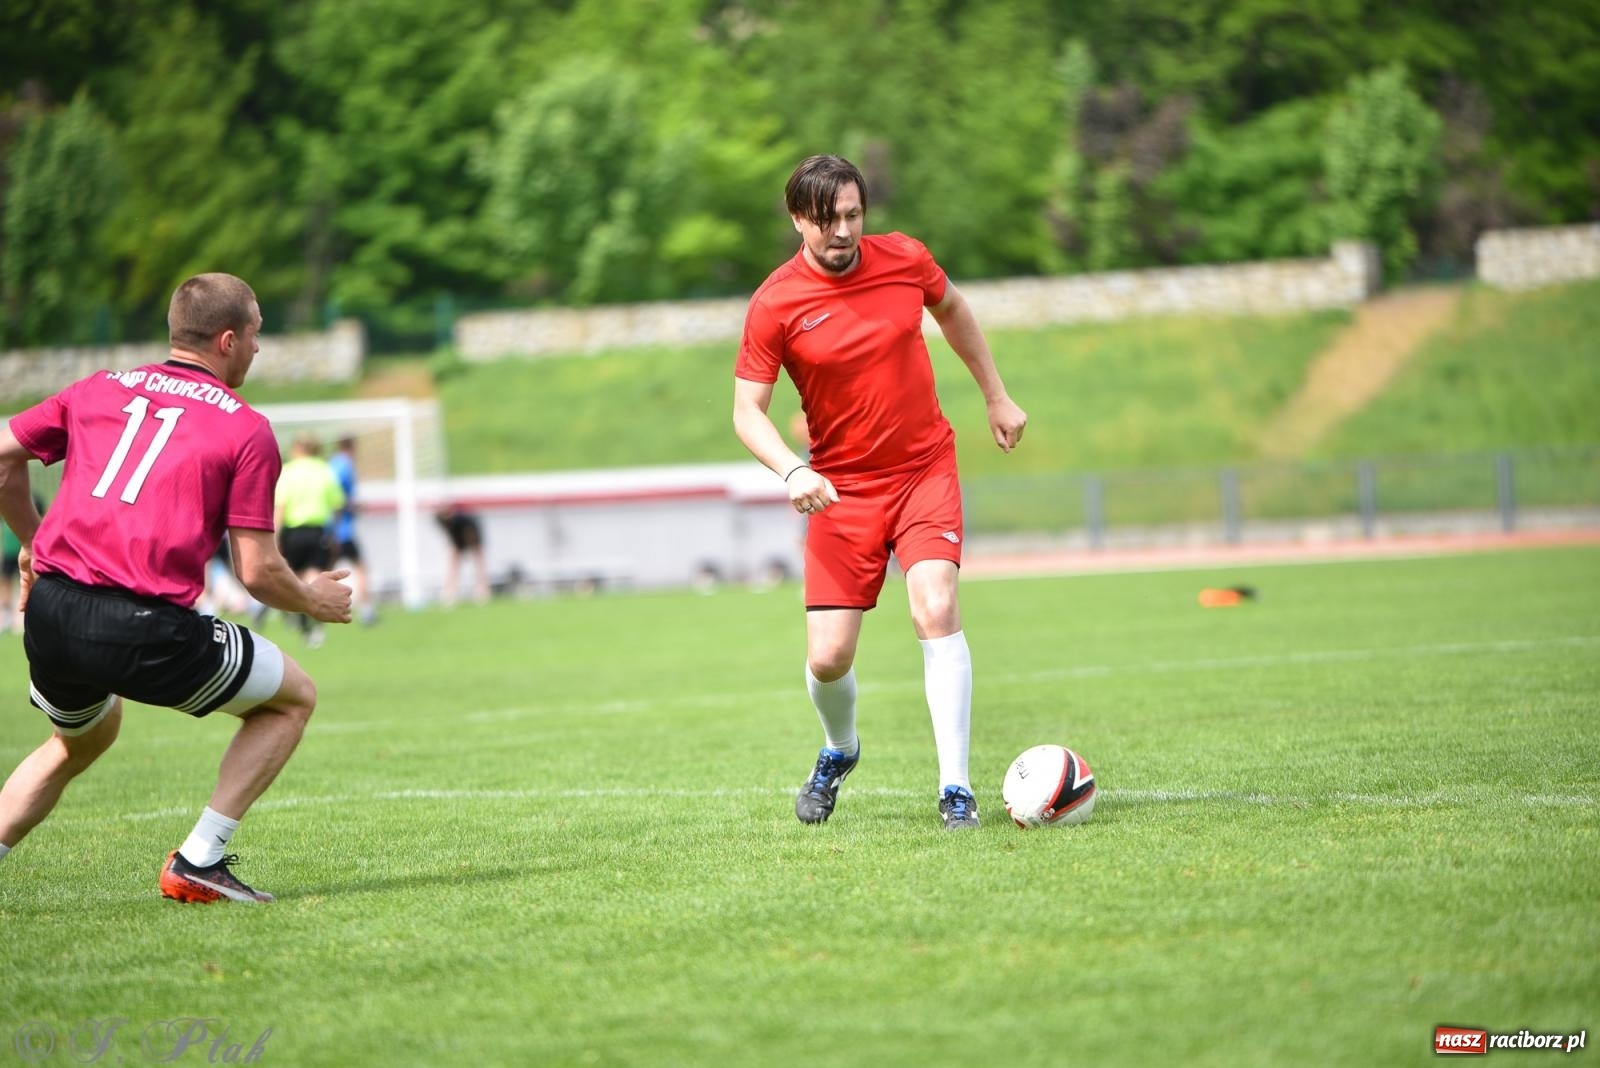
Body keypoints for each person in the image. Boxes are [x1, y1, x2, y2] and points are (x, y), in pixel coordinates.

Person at [0, 272, 352, 902]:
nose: (258, 347)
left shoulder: (97, 388)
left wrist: (34, 540)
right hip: (142, 626)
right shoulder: (245, 428)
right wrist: (313, 600)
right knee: (292, 698)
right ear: (227, 340)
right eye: (256, 333)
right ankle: (199, 859)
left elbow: (3, 456)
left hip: (50, 612)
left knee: (80, 739)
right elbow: (256, 571)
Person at [733, 155, 1027, 831]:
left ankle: (956, 790)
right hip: (840, 491)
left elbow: (953, 309)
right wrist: (793, 471)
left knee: (936, 606)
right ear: (797, 219)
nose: (843, 231)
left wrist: (996, 395)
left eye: (853, 215)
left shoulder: (904, 259)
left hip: (924, 469)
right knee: (828, 657)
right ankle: (840, 749)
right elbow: (747, 411)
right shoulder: (774, 303)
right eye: (827, 219)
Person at [273, 434, 345, 647]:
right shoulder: (325, 471)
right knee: (314, 574)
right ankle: (316, 621)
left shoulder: (288, 471)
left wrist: (275, 535)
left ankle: (302, 619)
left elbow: (281, 506)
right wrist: (335, 532)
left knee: (294, 578)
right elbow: (337, 504)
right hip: (317, 531)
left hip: (292, 532)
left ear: (297, 449)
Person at [328, 436, 376, 625]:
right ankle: (366, 610)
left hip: (330, 530)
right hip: (343, 530)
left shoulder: (331, 464)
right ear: (352, 447)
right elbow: (338, 497)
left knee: (323, 572)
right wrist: (353, 506)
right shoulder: (345, 465)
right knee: (361, 568)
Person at [434, 503, 490, 605]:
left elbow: (471, 535)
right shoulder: (442, 521)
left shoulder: (465, 520)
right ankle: (449, 594)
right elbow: (452, 537)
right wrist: (457, 548)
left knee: (478, 561)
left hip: (472, 534)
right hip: (458, 538)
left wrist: (471, 545)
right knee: (453, 565)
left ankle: (483, 591)